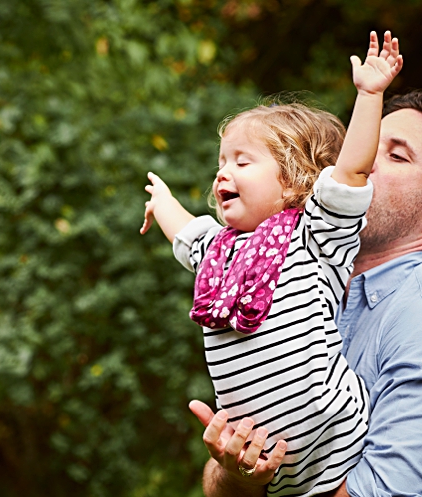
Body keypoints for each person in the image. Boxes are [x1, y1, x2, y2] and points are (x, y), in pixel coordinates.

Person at [141, 32, 402, 495]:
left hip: (340, 450)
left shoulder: (315, 237)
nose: (223, 172)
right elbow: (184, 231)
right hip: (261, 465)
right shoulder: (217, 252)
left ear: (294, 180)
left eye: (243, 161)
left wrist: (369, 95)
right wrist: (161, 201)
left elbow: (351, 172)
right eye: (222, 161)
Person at [188, 73, 422, 497]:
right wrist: (237, 472)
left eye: (398, 156)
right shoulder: (282, 273)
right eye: (366, 141)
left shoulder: (415, 316)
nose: (365, 159)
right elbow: (224, 485)